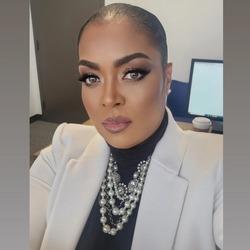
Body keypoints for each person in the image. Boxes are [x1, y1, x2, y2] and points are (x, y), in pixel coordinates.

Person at [30, 3, 223, 250]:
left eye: (132, 73)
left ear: (167, 78)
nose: (109, 99)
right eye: (91, 77)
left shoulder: (218, 165)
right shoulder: (63, 148)